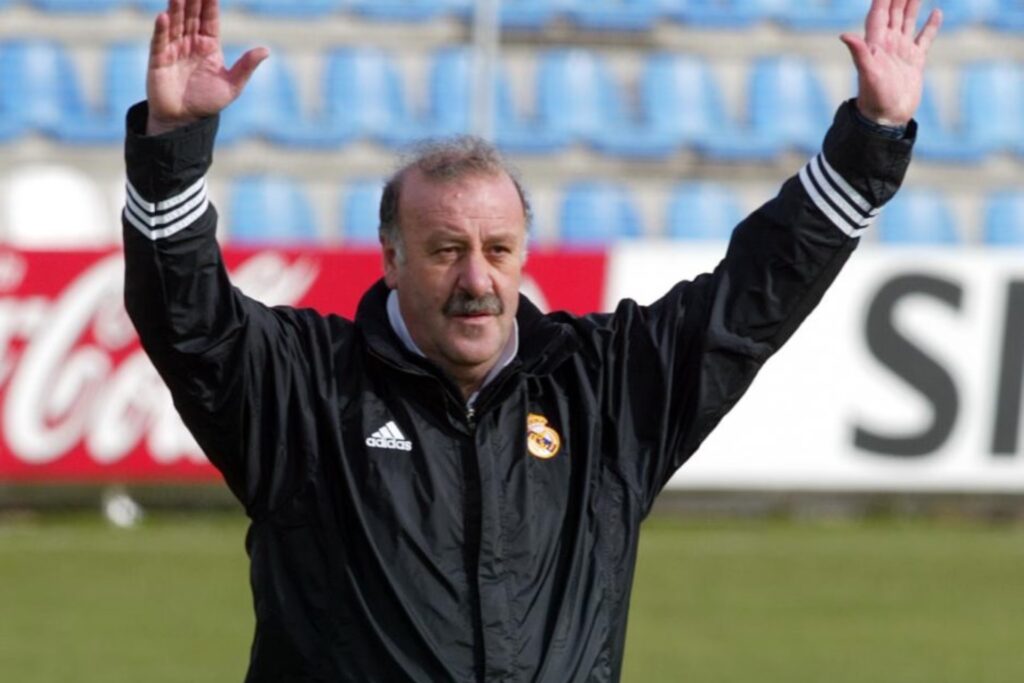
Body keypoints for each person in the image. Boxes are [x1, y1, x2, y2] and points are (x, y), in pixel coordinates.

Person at [123, 0, 942, 680]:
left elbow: (753, 297)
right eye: (446, 250)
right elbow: (187, 322)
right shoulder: (306, 388)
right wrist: (174, 148)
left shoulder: (601, 389)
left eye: (499, 249)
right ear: (392, 258)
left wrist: (870, 137)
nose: (476, 278)